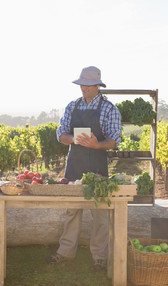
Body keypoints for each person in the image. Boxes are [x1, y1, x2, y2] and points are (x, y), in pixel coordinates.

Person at [46, 66, 122, 270]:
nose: (84, 89)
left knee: (100, 212)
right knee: (72, 210)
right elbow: (61, 133)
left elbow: (114, 139)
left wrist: (98, 144)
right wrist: (74, 139)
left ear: (98, 85)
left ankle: (99, 255)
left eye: (88, 85)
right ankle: (66, 252)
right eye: (82, 85)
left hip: (97, 165)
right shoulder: (72, 106)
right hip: (75, 164)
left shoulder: (109, 109)